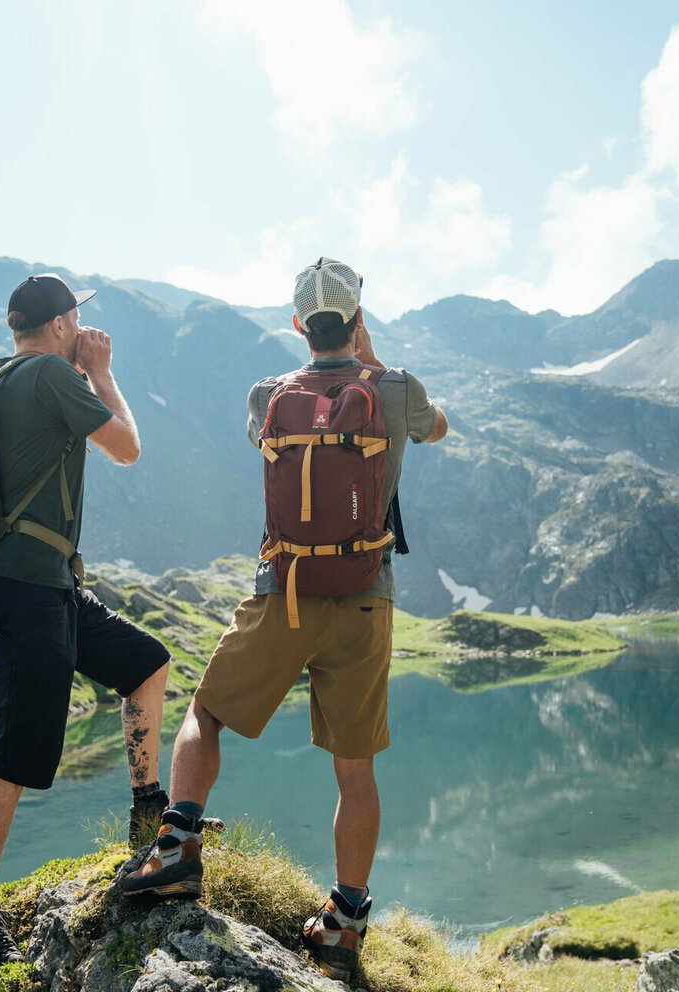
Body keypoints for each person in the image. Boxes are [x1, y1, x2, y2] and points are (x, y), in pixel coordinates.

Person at [123, 257, 448, 984]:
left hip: (283, 592)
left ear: (298, 324)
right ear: (359, 319)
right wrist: (375, 365)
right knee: (354, 771)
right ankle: (343, 926)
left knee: (204, 713)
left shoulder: (268, 394)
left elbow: (260, 440)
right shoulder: (394, 392)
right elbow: (438, 427)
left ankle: (175, 847)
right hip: (366, 600)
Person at [0, 274, 172, 970]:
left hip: (46, 589)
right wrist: (104, 374)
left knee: (145, 663)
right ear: (57, 325)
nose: (83, 327)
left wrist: (82, 367)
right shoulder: (54, 372)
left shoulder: (4, 377)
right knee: (16, 753)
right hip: (25, 591)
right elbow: (128, 447)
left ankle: (148, 812)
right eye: (77, 317)